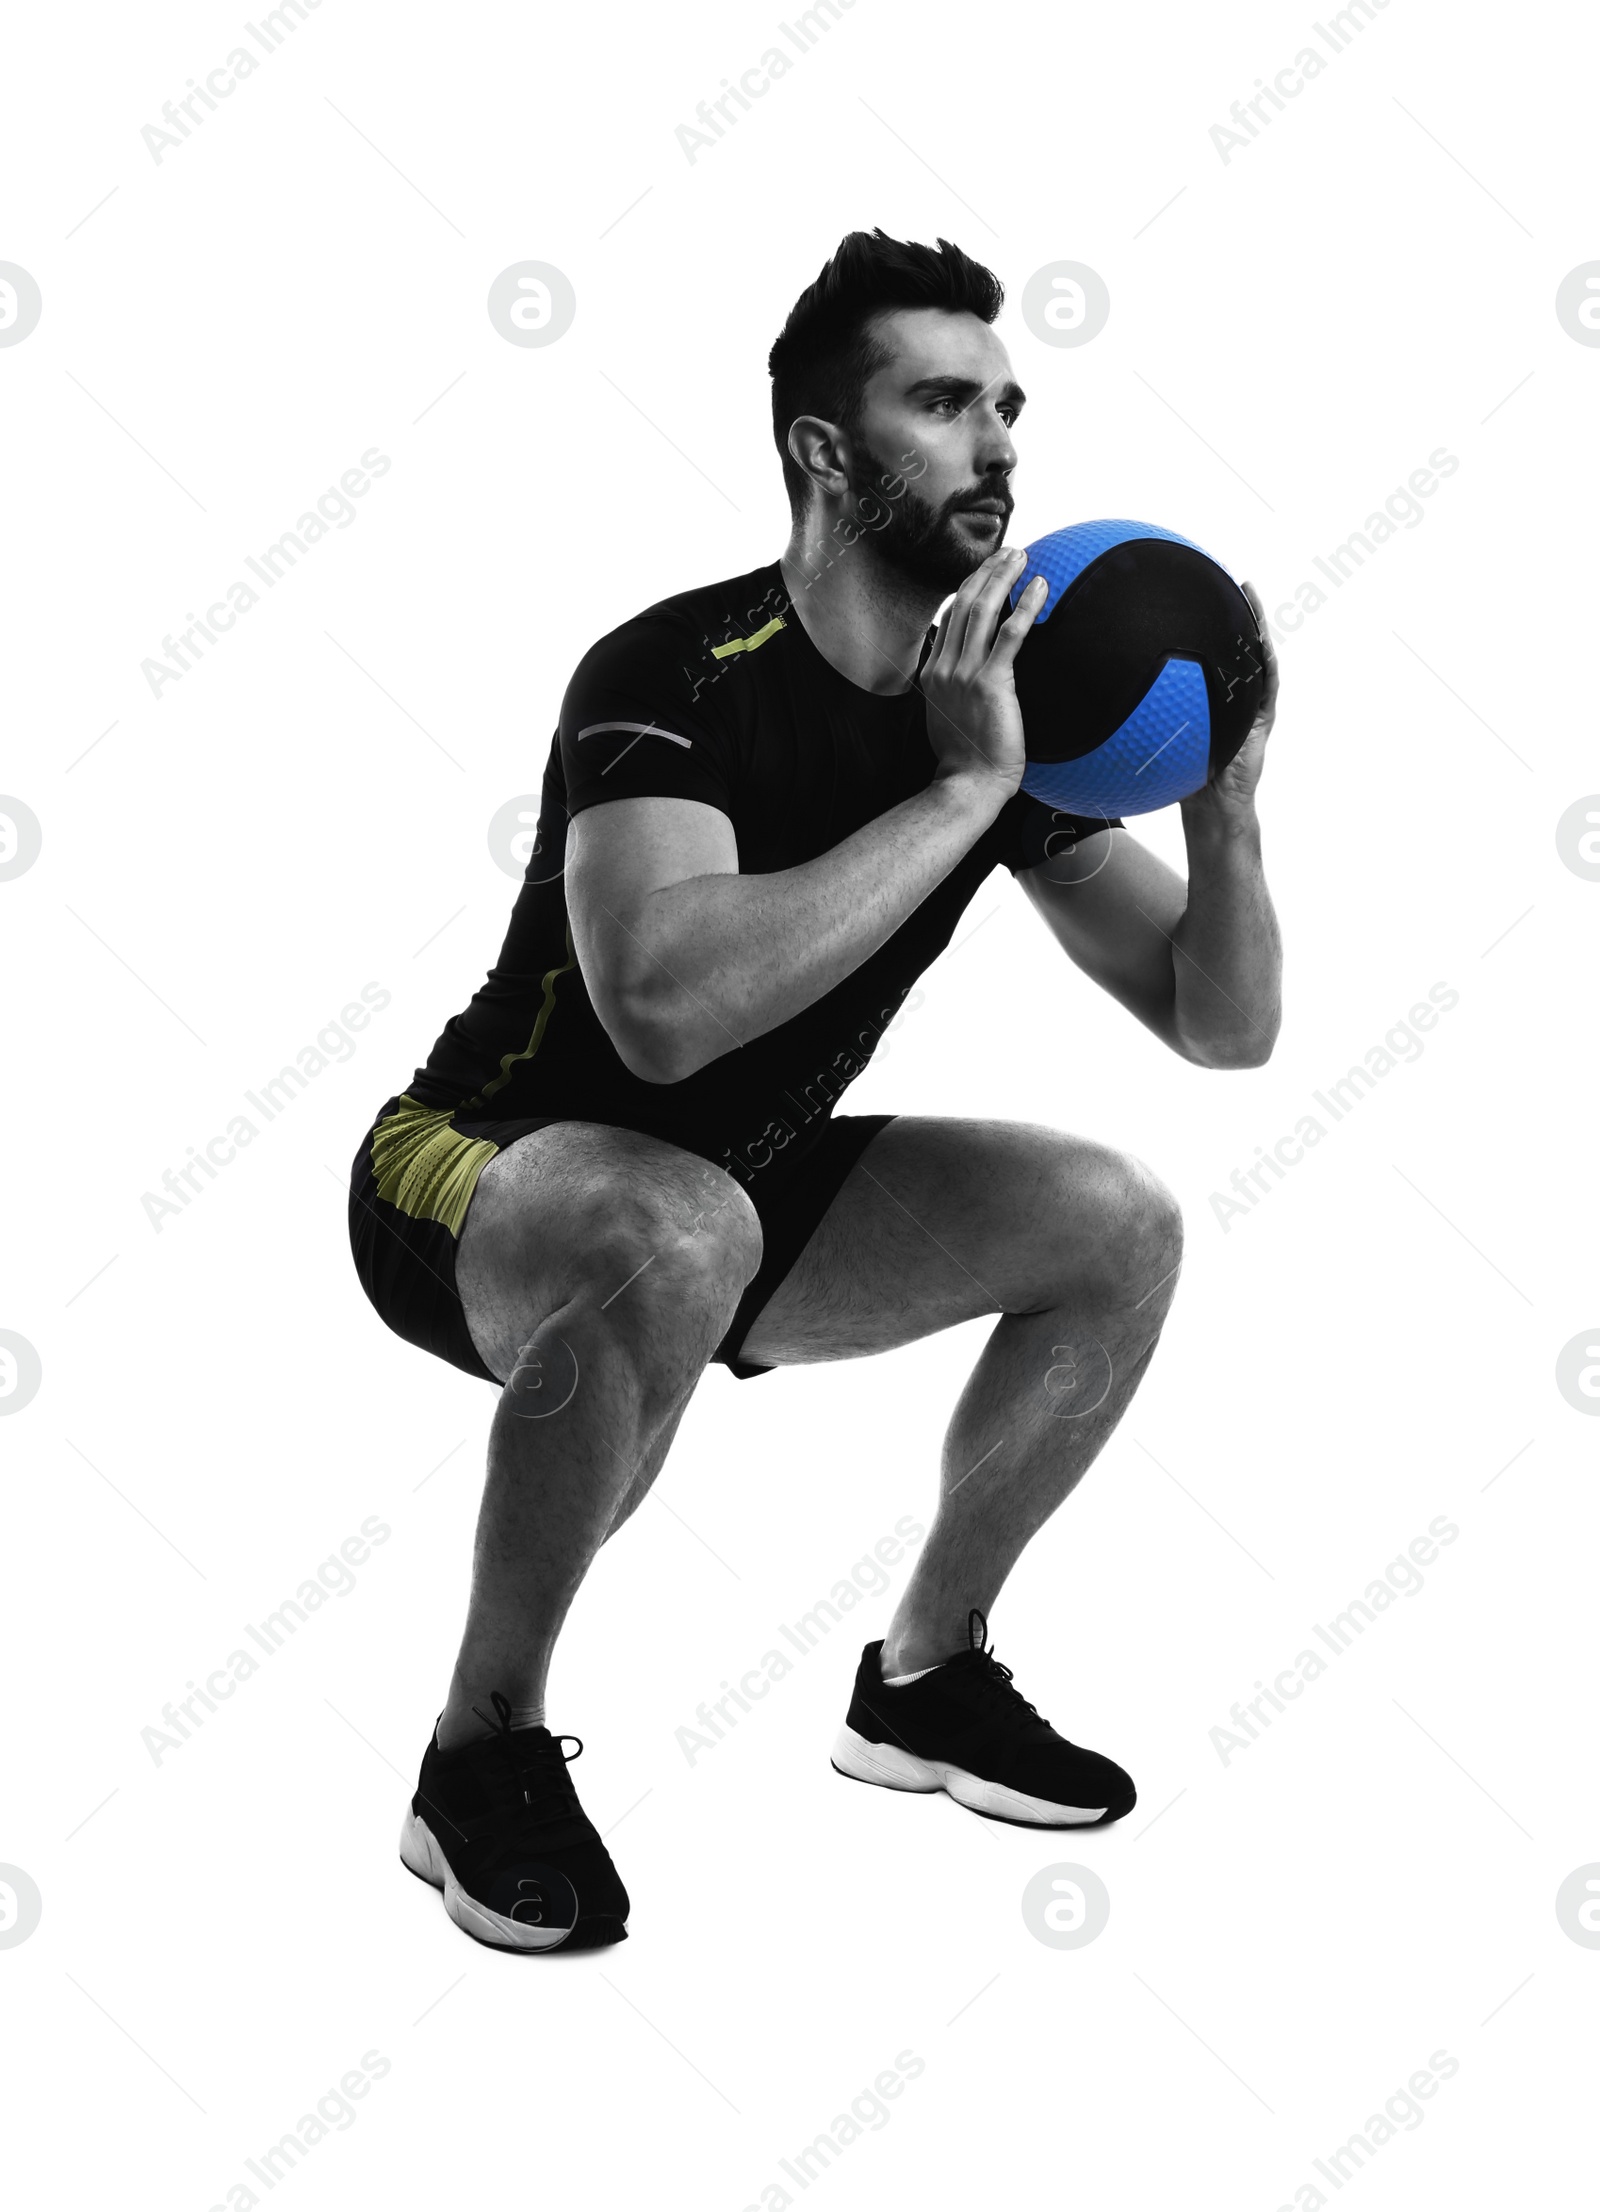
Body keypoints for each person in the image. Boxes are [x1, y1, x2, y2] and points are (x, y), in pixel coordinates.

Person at [348, 228, 1282, 1953]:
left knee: (1117, 1223)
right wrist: (958, 794)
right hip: (476, 1173)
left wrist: (1222, 798)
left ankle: (924, 1677)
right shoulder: (672, 671)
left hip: (744, 1195)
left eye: (1011, 405)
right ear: (824, 451)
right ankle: (474, 1758)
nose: (1000, 445)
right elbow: (662, 1017)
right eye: (943, 403)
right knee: (672, 1221)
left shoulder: (1000, 719)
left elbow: (1219, 1027)